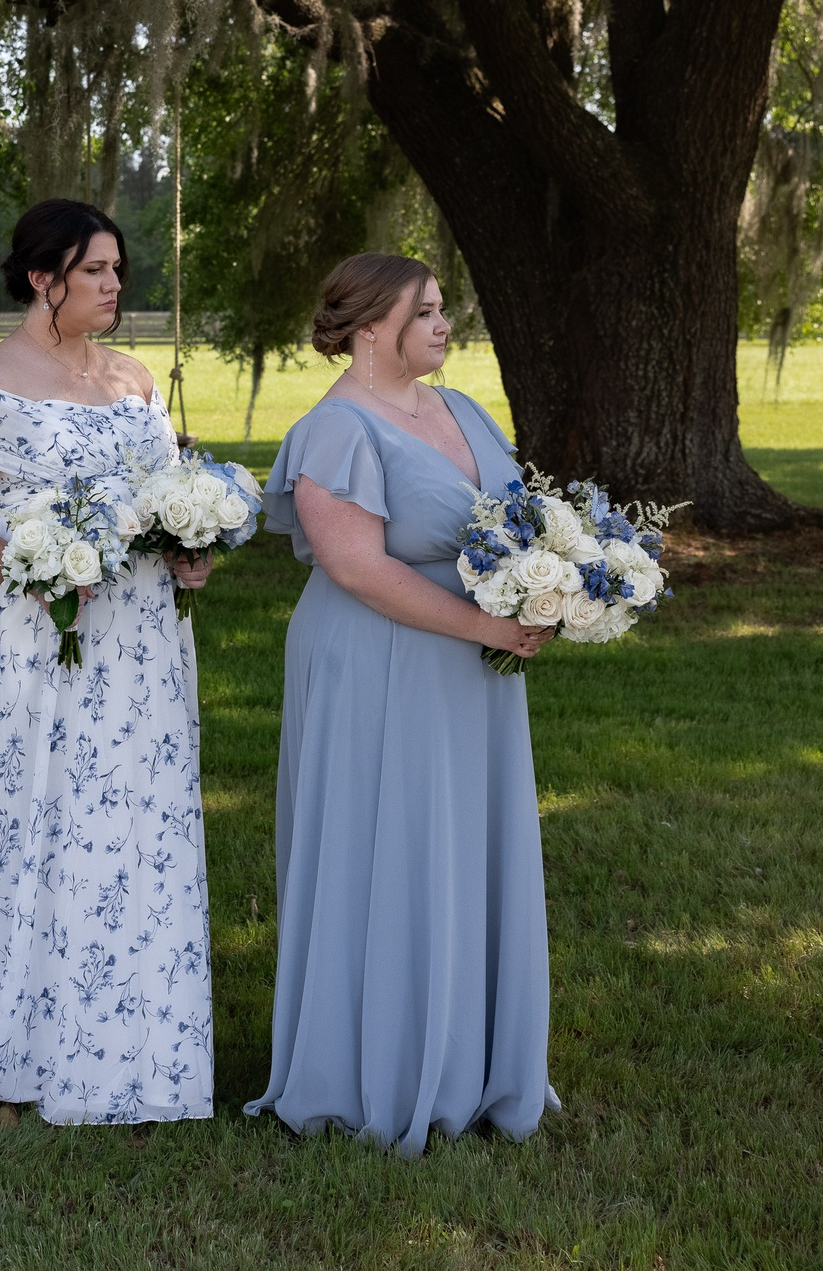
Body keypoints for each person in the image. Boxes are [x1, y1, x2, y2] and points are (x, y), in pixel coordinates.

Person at [0, 197, 214, 1125]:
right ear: (44, 279)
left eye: (118, 270)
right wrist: (30, 574)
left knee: (134, 820)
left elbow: (158, 498)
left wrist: (188, 548)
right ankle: (30, 1041)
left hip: (141, 641)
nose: (114, 286)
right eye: (94, 271)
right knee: (45, 814)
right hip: (33, 639)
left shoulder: (134, 378)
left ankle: (141, 1040)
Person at [245, 253, 555, 1155]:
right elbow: (358, 569)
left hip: (472, 670)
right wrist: (485, 626)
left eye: (443, 309)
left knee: (466, 844)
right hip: (377, 661)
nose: (444, 324)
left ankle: (478, 1061)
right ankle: (372, 1067)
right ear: (370, 326)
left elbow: (519, 524)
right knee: (385, 844)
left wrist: (553, 588)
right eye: (425, 312)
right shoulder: (334, 431)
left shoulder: (463, 411)